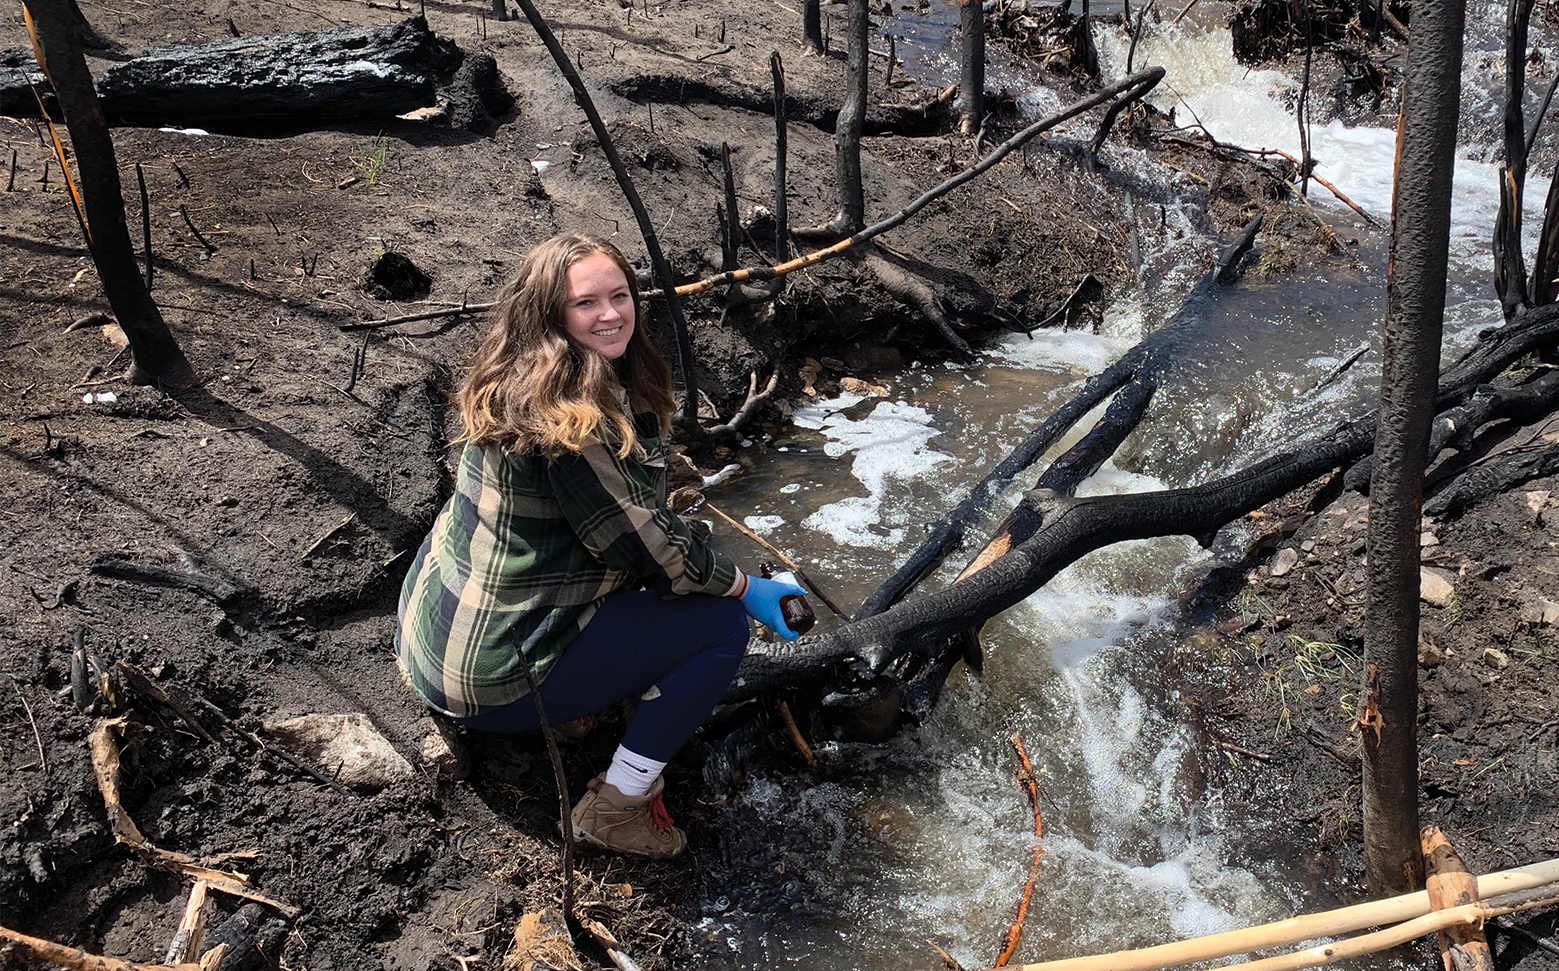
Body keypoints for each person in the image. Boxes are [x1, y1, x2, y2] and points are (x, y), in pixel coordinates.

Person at [395, 233, 806, 860]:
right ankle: (617, 807)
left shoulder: (512, 377)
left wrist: (670, 482)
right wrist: (748, 588)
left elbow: (616, 493)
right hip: (490, 685)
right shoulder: (566, 418)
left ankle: (566, 704)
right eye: (587, 303)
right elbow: (645, 548)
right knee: (719, 624)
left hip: (431, 652)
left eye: (620, 295)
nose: (611, 313)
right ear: (550, 314)